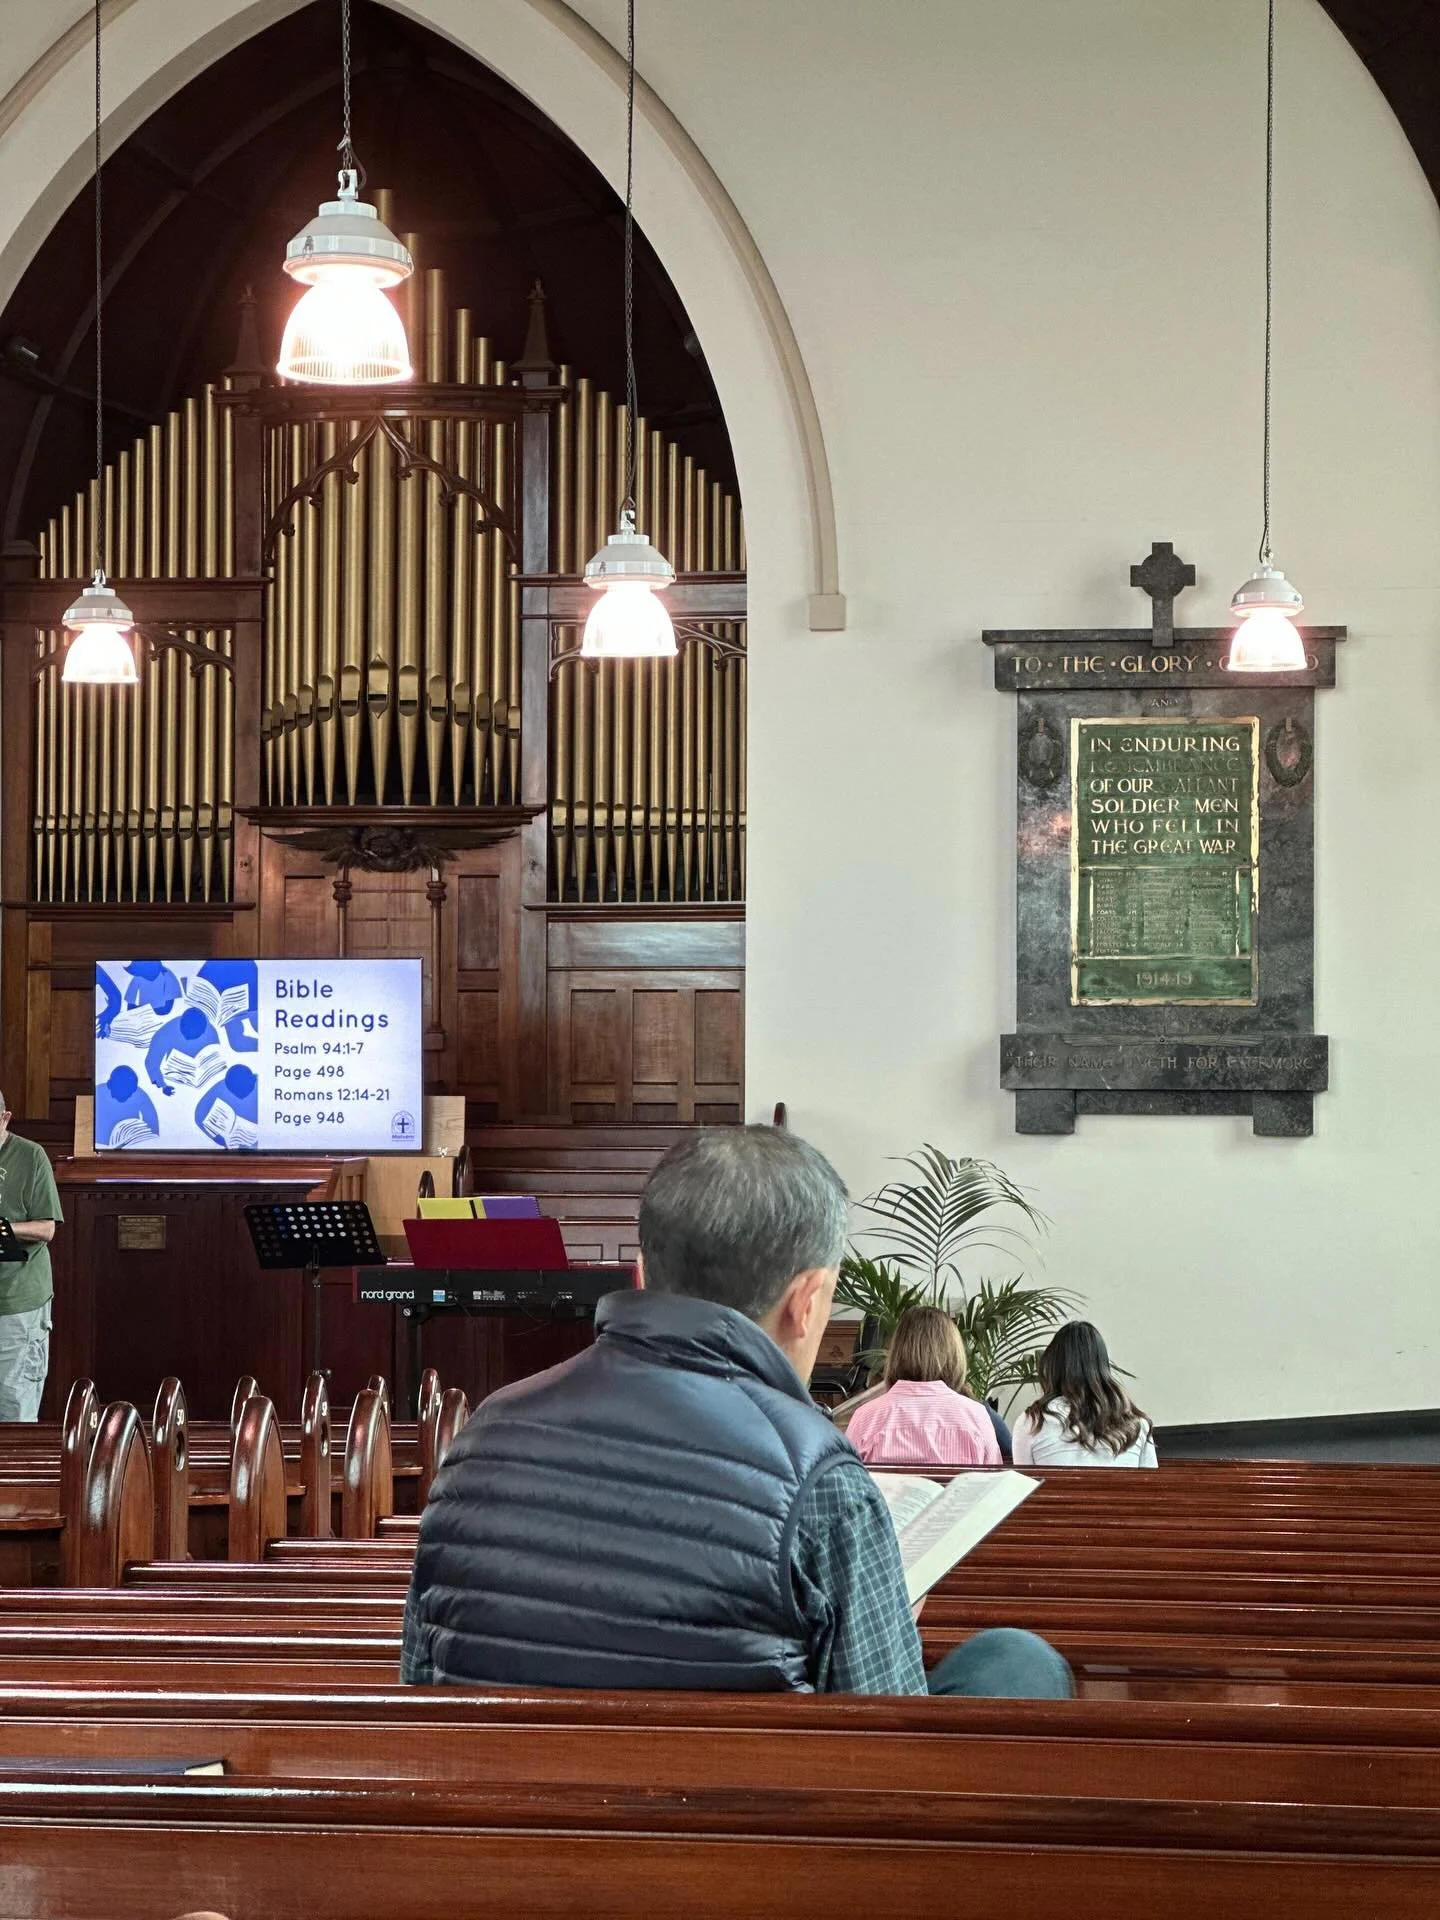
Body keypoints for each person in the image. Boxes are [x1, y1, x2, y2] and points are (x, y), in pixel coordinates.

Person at [402, 1125, 1071, 1698]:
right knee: (1018, 1661)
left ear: (640, 1271)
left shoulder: (484, 1433)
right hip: (738, 1840)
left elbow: (420, 1676)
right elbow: (881, 1737)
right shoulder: (818, 1475)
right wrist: (885, 1613)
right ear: (806, 1301)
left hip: (502, 1832)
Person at [845, 1306, 1002, 1468]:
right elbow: (991, 1486)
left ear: (896, 1353)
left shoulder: (865, 1418)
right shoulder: (975, 1416)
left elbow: (848, 1484)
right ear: (954, 1354)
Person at [1013, 1320, 1157, 1468]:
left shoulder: (1031, 1422)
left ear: (1052, 1366)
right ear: (1103, 1366)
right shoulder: (1137, 1424)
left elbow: (1023, 1487)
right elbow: (1152, 1488)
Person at [0, 1094, 63, 1422]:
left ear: (5, 1118)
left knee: (12, 1407)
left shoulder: (30, 1156)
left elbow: (47, 1228)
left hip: (17, 1302)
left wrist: (4, 1229)